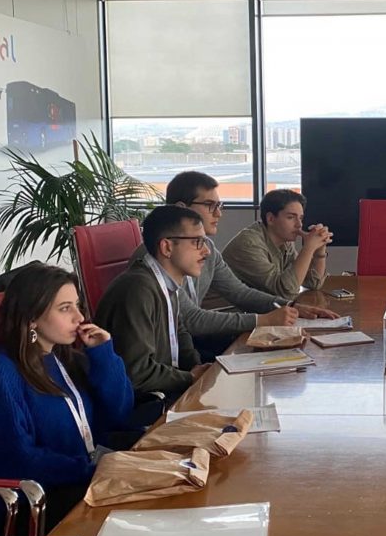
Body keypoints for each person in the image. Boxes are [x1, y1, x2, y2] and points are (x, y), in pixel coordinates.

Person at [0, 264, 134, 535]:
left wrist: (104, 354)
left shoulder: (64, 360)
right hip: (32, 507)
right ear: (32, 317)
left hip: (80, 485)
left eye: (77, 305)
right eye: (65, 308)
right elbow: (17, 460)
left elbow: (119, 414)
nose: (80, 317)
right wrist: (94, 469)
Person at [136, 172, 338, 356]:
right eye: (210, 205)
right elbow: (191, 319)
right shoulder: (159, 252)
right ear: (182, 208)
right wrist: (263, 320)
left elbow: (240, 292)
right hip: (171, 350)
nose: (218, 214)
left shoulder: (208, 248)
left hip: (193, 341)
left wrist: (291, 306)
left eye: (219, 206)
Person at [95, 205, 212, 402]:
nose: (207, 251)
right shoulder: (138, 289)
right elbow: (138, 373)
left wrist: (196, 368)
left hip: (164, 390)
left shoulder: (164, 282)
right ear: (167, 247)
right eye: (197, 242)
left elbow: (179, 332)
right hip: (139, 404)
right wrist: (190, 378)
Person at [222, 189, 331, 299]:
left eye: (300, 218)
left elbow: (313, 283)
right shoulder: (249, 244)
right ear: (270, 219)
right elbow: (285, 291)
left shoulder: (285, 241)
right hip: (224, 307)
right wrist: (309, 247)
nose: (299, 224)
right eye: (291, 217)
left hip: (256, 306)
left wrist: (319, 251)